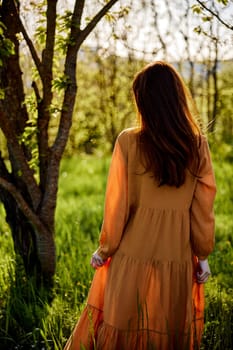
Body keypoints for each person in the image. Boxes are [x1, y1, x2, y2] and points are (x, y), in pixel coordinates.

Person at [64, 61, 216, 350]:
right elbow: (203, 208)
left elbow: (117, 205)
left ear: (143, 102)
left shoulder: (128, 142)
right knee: (167, 329)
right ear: (176, 99)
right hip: (177, 255)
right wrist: (203, 255)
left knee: (123, 326)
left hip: (131, 254)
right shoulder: (197, 145)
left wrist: (105, 248)